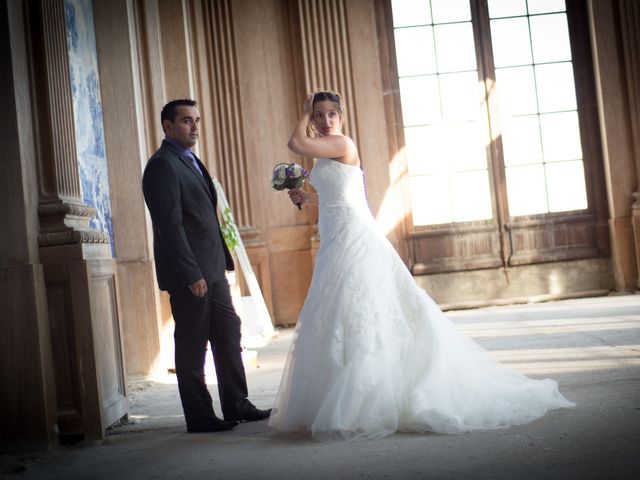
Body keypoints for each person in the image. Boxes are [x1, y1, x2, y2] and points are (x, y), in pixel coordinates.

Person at [268, 91, 575, 441]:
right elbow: (341, 196)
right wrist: (308, 197)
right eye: (319, 115)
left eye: (330, 114)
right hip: (335, 238)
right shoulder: (326, 152)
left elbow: (295, 143)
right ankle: (339, 392)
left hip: (355, 237)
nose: (324, 121)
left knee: (365, 307)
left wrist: (304, 111)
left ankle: (370, 397)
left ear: (342, 117)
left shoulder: (342, 143)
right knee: (340, 311)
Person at [142, 99, 271, 433]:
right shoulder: (161, 166)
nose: (195, 126)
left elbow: (203, 217)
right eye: (187, 121)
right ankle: (199, 415)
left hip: (212, 270)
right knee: (192, 343)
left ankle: (237, 404)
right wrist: (191, 274)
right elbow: (170, 227)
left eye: (197, 120)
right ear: (167, 126)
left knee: (228, 333)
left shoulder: (190, 160)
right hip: (192, 275)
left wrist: (217, 266)